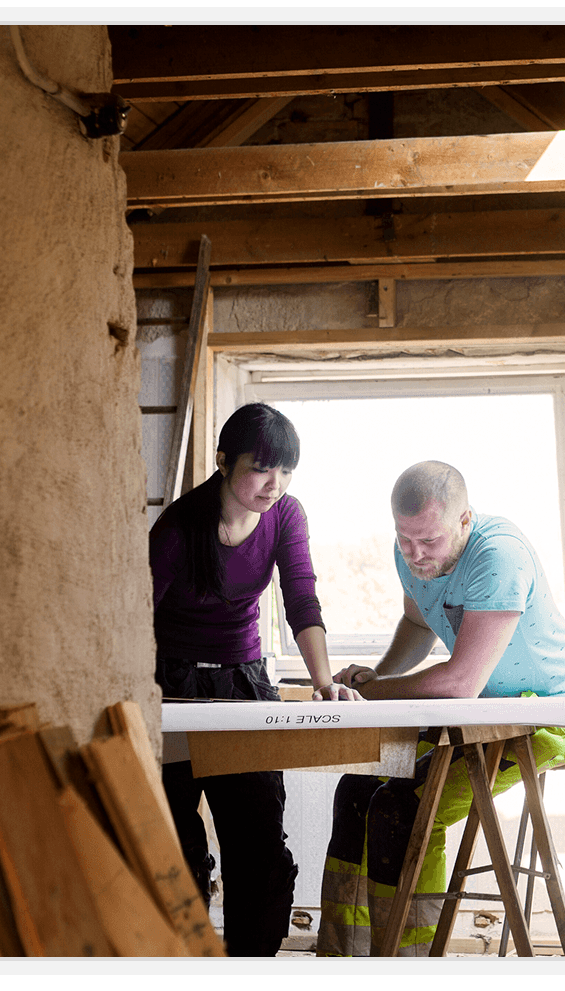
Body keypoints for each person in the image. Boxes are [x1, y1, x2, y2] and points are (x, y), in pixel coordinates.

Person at [315, 460, 565, 956]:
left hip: (550, 717)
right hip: (484, 715)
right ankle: (344, 959)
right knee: (356, 789)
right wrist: (375, 679)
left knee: (403, 807)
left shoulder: (499, 555)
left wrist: (374, 694)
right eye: (405, 539)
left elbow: (460, 683)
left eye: (429, 540)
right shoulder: (412, 553)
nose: (415, 554)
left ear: (465, 519)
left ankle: (407, 963)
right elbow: (417, 624)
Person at [149, 402, 360, 957]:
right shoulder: (177, 526)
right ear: (223, 462)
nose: (275, 484)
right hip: (171, 687)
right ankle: (185, 963)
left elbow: (302, 599)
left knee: (260, 847)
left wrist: (324, 681)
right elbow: (135, 618)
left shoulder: (286, 514)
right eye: (261, 469)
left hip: (243, 685)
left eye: (286, 471)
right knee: (174, 847)